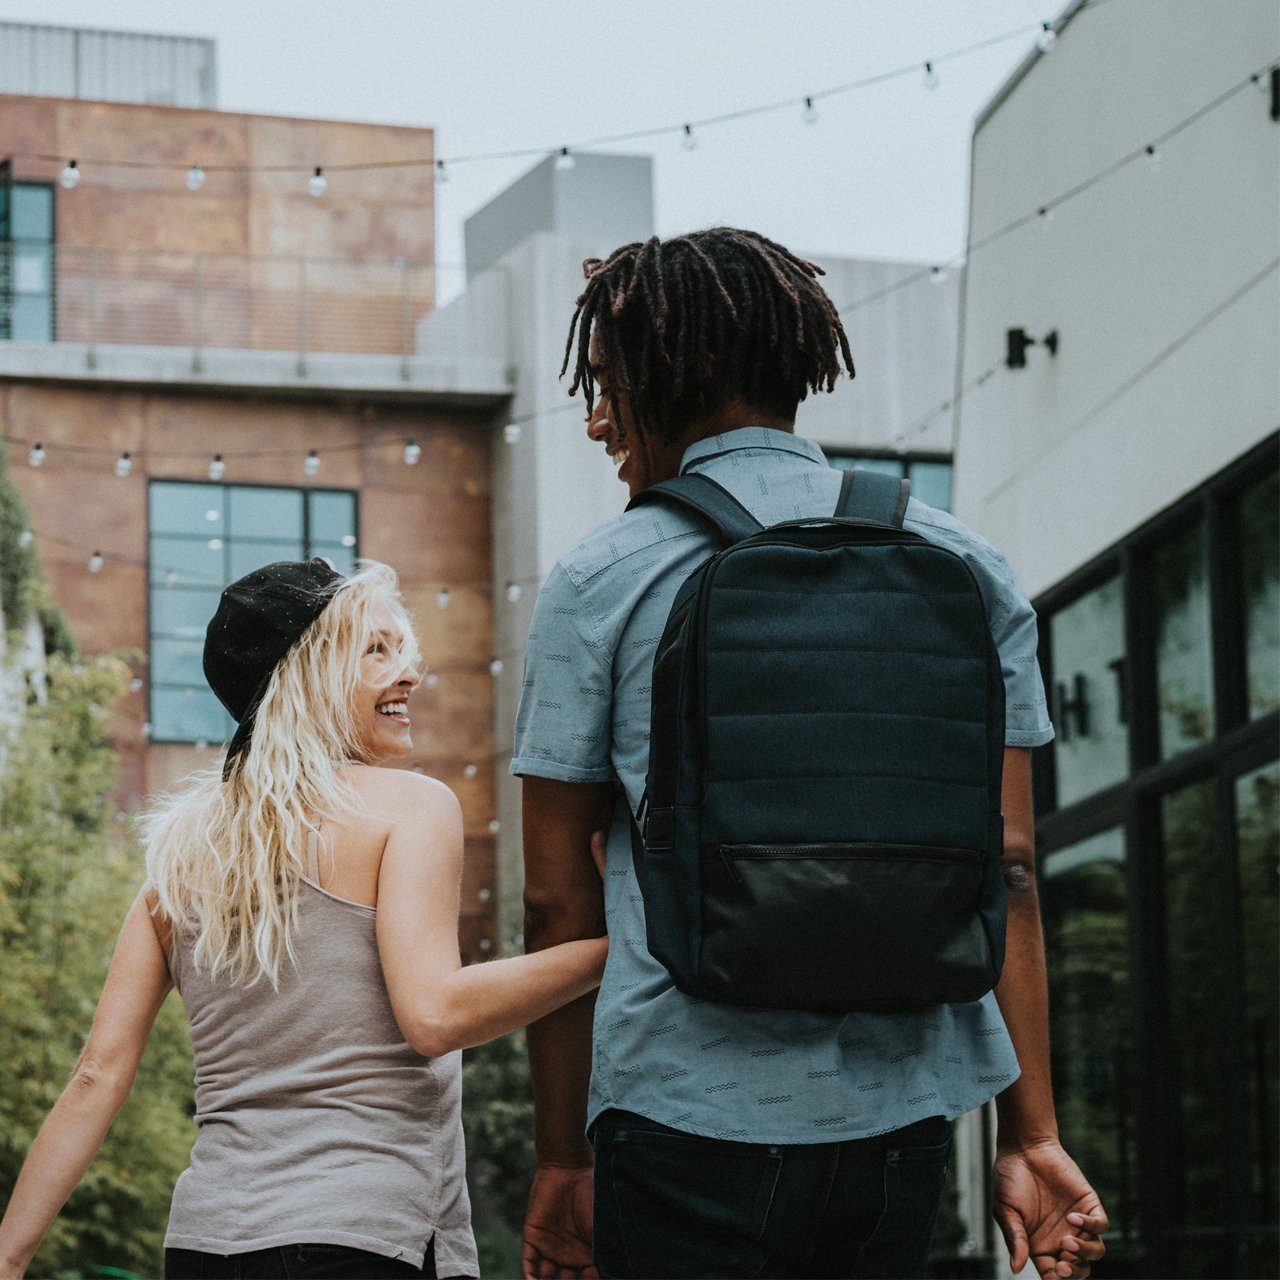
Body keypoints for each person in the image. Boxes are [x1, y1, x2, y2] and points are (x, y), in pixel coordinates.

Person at [513, 229, 1109, 1280]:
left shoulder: (599, 578)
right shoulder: (965, 562)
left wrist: (561, 1154)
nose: (599, 418)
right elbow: (1006, 861)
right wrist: (1031, 1135)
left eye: (607, 385)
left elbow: (557, 901)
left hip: (681, 1109)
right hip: (898, 1117)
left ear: (676, 373)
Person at [0, 558, 608, 1280]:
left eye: (401, 647)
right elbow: (436, 1015)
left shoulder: (180, 858)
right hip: (356, 1241)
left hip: (204, 1247)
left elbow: (97, 1075)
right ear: (305, 675)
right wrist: (621, 944)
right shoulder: (409, 807)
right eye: (374, 651)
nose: (409, 672)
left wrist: (8, 1254)